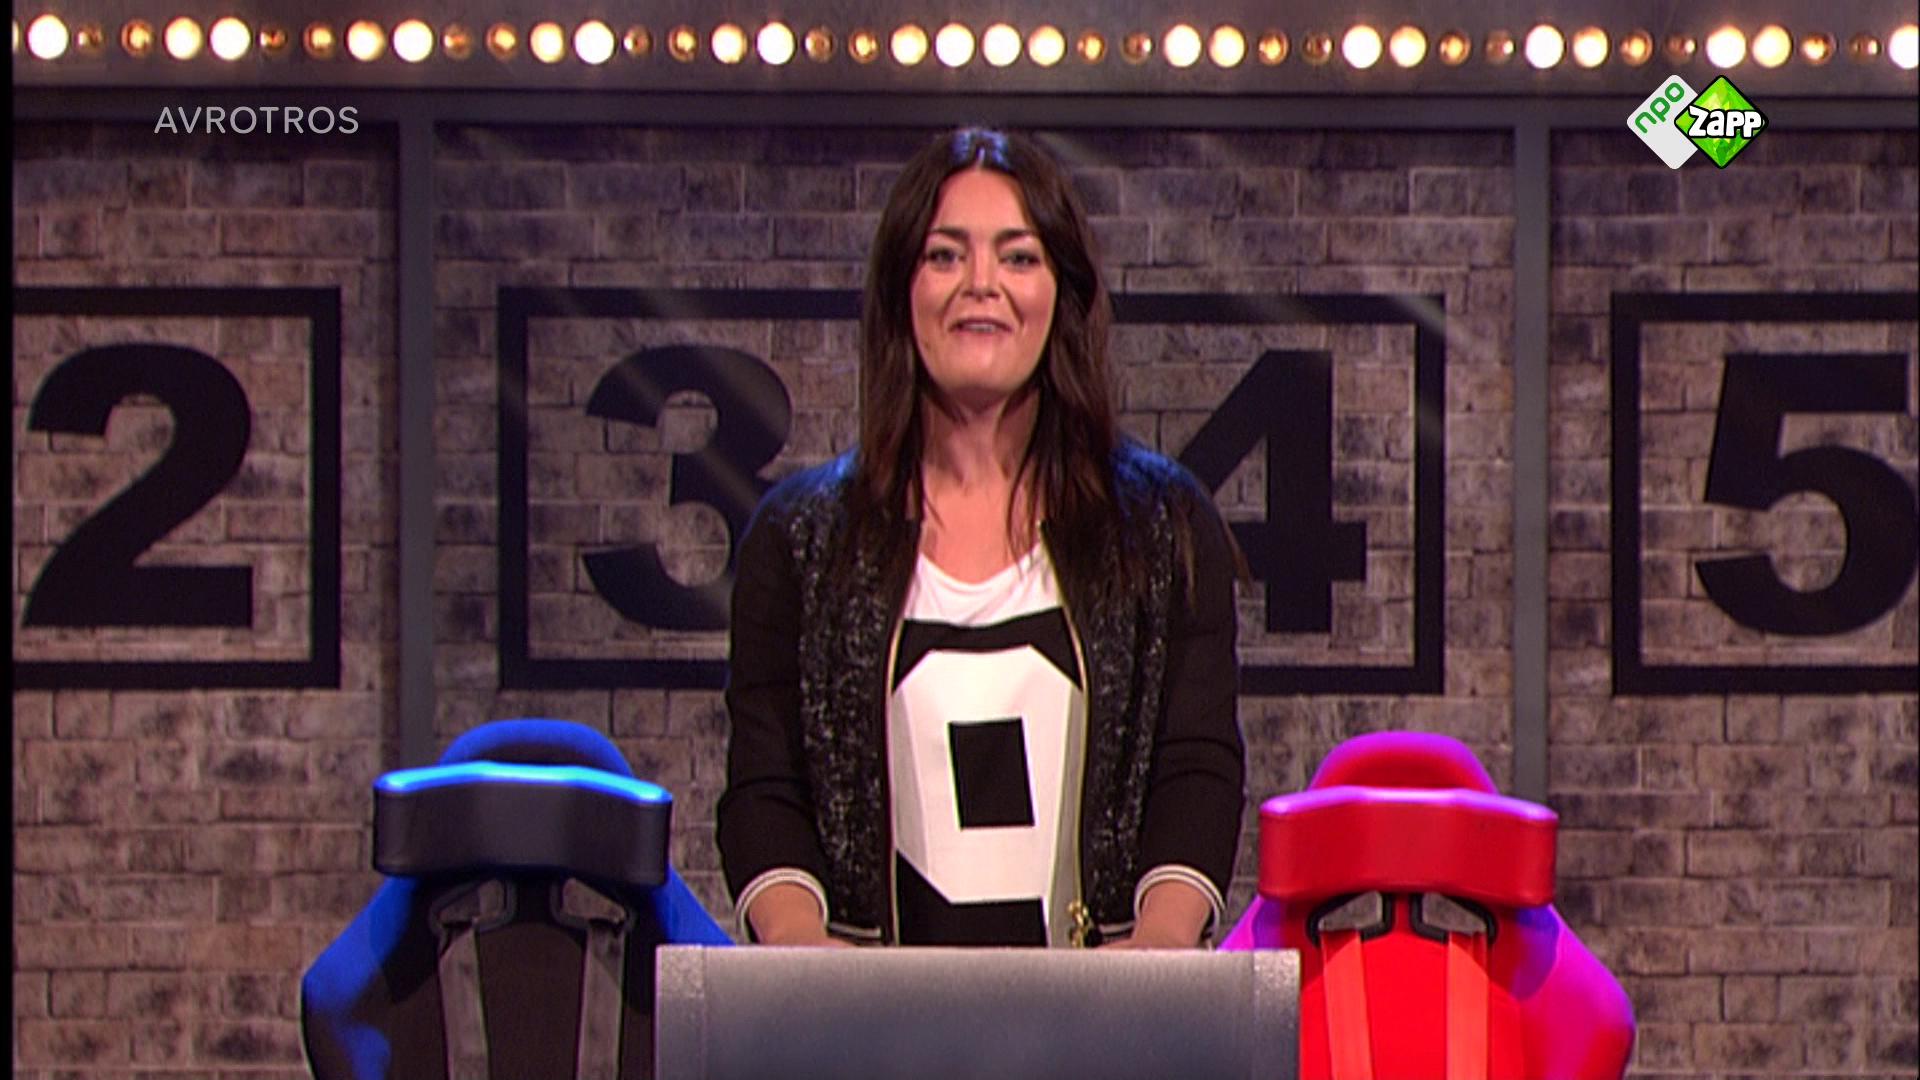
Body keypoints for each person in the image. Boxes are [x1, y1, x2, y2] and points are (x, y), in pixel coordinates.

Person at [717, 127, 1245, 949]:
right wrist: (806, 964)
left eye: (1018, 256)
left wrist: (1157, 957)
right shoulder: (800, 539)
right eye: (945, 255)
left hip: (1100, 1012)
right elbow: (765, 787)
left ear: (1061, 291)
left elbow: (1195, 768)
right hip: (865, 1016)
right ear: (902, 289)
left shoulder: (1163, 527)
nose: (981, 285)